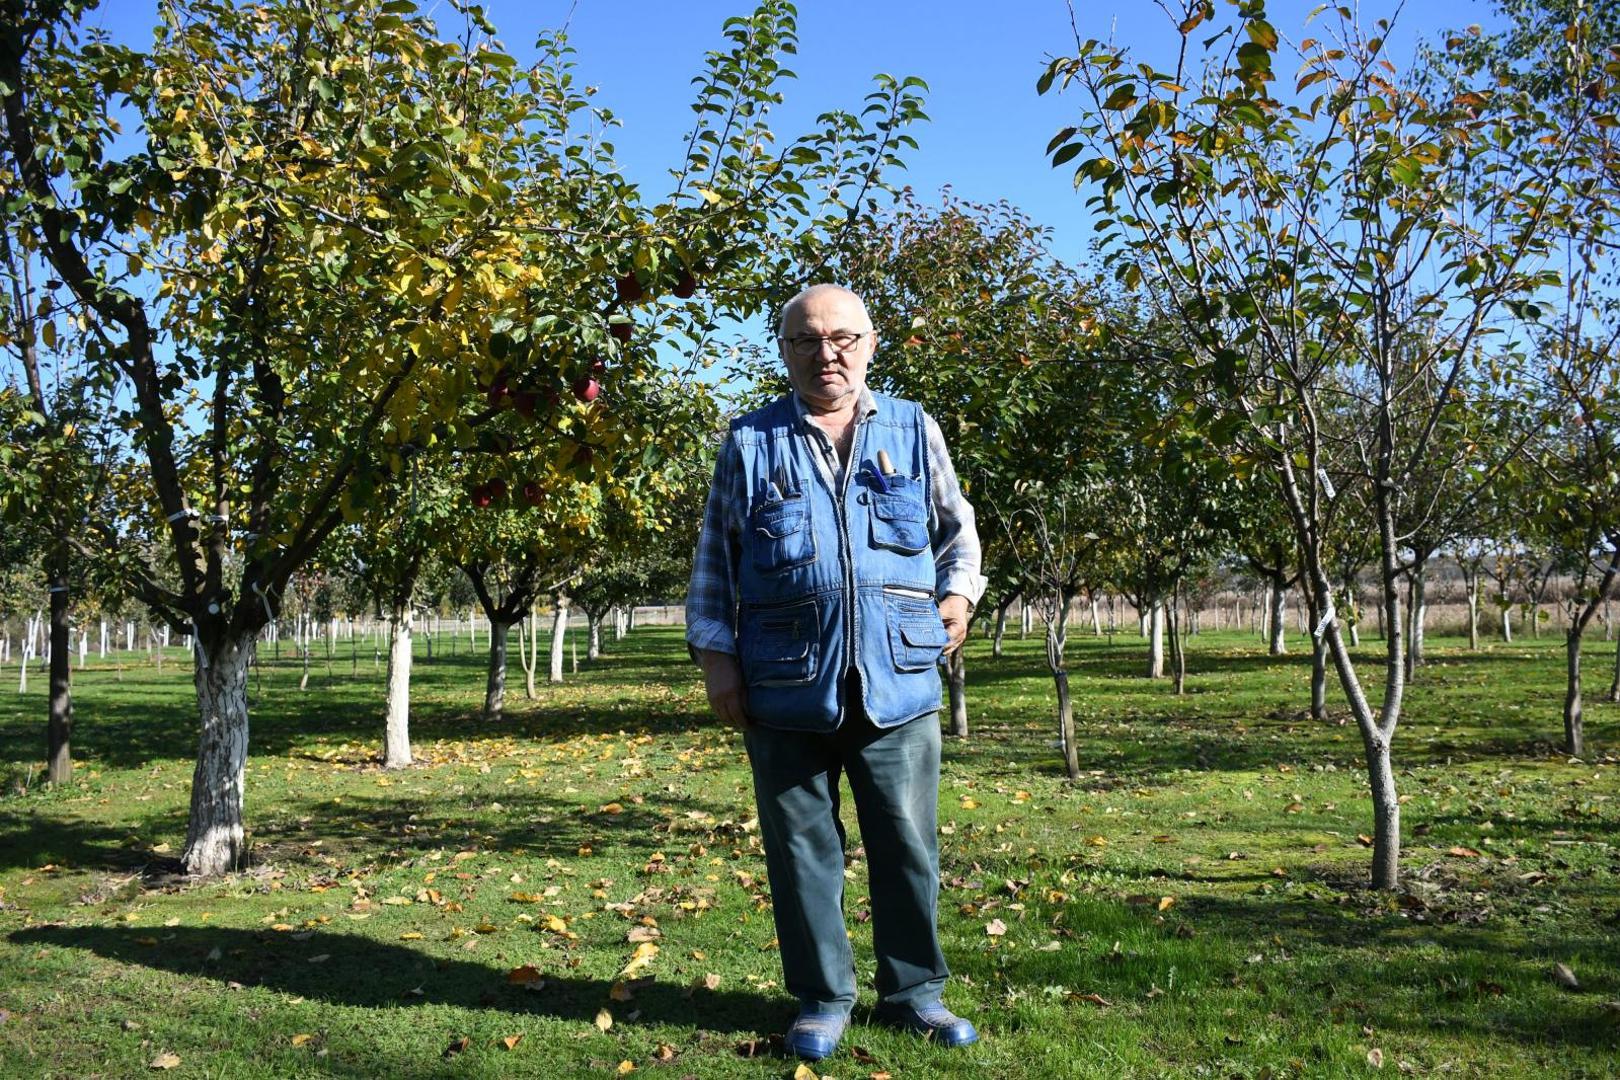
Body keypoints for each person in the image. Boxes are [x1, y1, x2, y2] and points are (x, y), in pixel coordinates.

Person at [685, 283, 987, 1061]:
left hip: (900, 677)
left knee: (906, 843)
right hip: (785, 682)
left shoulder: (916, 430)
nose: (828, 354)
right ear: (784, 352)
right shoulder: (751, 442)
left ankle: (916, 993)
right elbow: (717, 561)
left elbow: (959, 534)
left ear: (871, 343)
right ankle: (822, 998)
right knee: (801, 850)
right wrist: (718, 658)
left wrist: (957, 595)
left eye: (843, 338)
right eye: (807, 341)